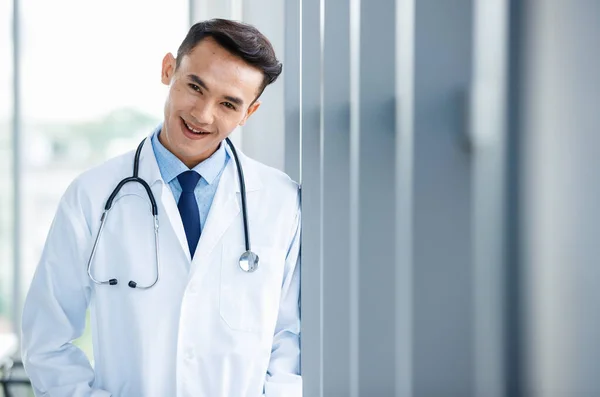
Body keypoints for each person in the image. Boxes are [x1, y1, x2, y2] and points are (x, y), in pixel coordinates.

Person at [20, 18, 301, 397]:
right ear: (169, 69)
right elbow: (47, 340)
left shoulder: (281, 202)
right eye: (195, 87)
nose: (203, 114)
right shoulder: (92, 195)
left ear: (249, 113)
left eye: (228, 104)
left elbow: (290, 338)